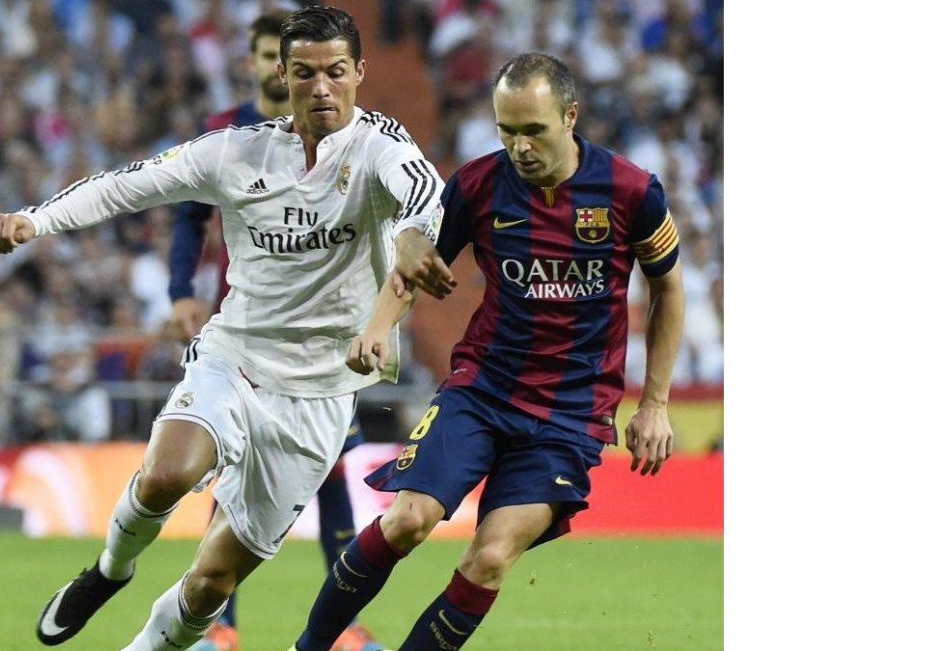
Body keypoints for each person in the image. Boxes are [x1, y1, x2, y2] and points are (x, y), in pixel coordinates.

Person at [0, 5, 456, 651]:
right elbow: (128, 186)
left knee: (209, 583)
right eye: (306, 73)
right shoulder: (237, 151)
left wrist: (410, 245)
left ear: (359, 72)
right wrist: (35, 221)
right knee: (166, 475)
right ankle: (108, 570)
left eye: (337, 72)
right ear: (283, 77)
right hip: (236, 356)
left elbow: (427, 200)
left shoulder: (381, 147)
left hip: (320, 392)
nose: (322, 87)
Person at [288, 52, 685, 651]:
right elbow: (419, 263)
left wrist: (654, 402)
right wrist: (377, 326)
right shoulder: (478, 184)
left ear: (571, 116)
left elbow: (668, 287)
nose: (519, 147)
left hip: (570, 416)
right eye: (507, 130)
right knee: (407, 520)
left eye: (534, 130)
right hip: (483, 389)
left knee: (491, 558)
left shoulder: (630, 191)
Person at [167, 10, 383, 651]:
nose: (271, 67)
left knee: (337, 468)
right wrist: (183, 290)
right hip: (247, 332)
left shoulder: (345, 131)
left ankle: (343, 629)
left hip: (322, 336)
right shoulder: (225, 134)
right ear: (263, 63)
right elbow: (187, 218)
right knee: (234, 467)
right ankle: (220, 627)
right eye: (266, 56)